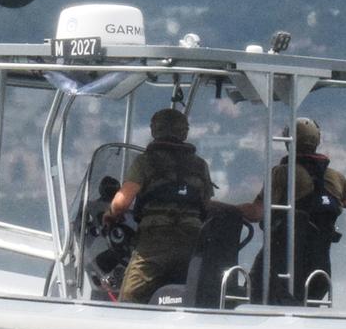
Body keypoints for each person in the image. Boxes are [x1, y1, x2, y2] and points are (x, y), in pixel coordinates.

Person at [103, 106, 254, 303]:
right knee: (189, 296)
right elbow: (205, 205)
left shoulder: (145, 162)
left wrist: (110, 214)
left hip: (154, 245)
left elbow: (121, 203)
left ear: (154, 130)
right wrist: (237, 210)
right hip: (191, 243)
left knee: (129, 300)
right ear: (184, 132)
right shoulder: (200, 165)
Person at [263, 116, 346, 304]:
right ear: (317, 140)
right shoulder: (336, 178)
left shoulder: (282, 174)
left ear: (289, 141)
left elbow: (256, 212)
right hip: (320, 274)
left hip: (286, 270)